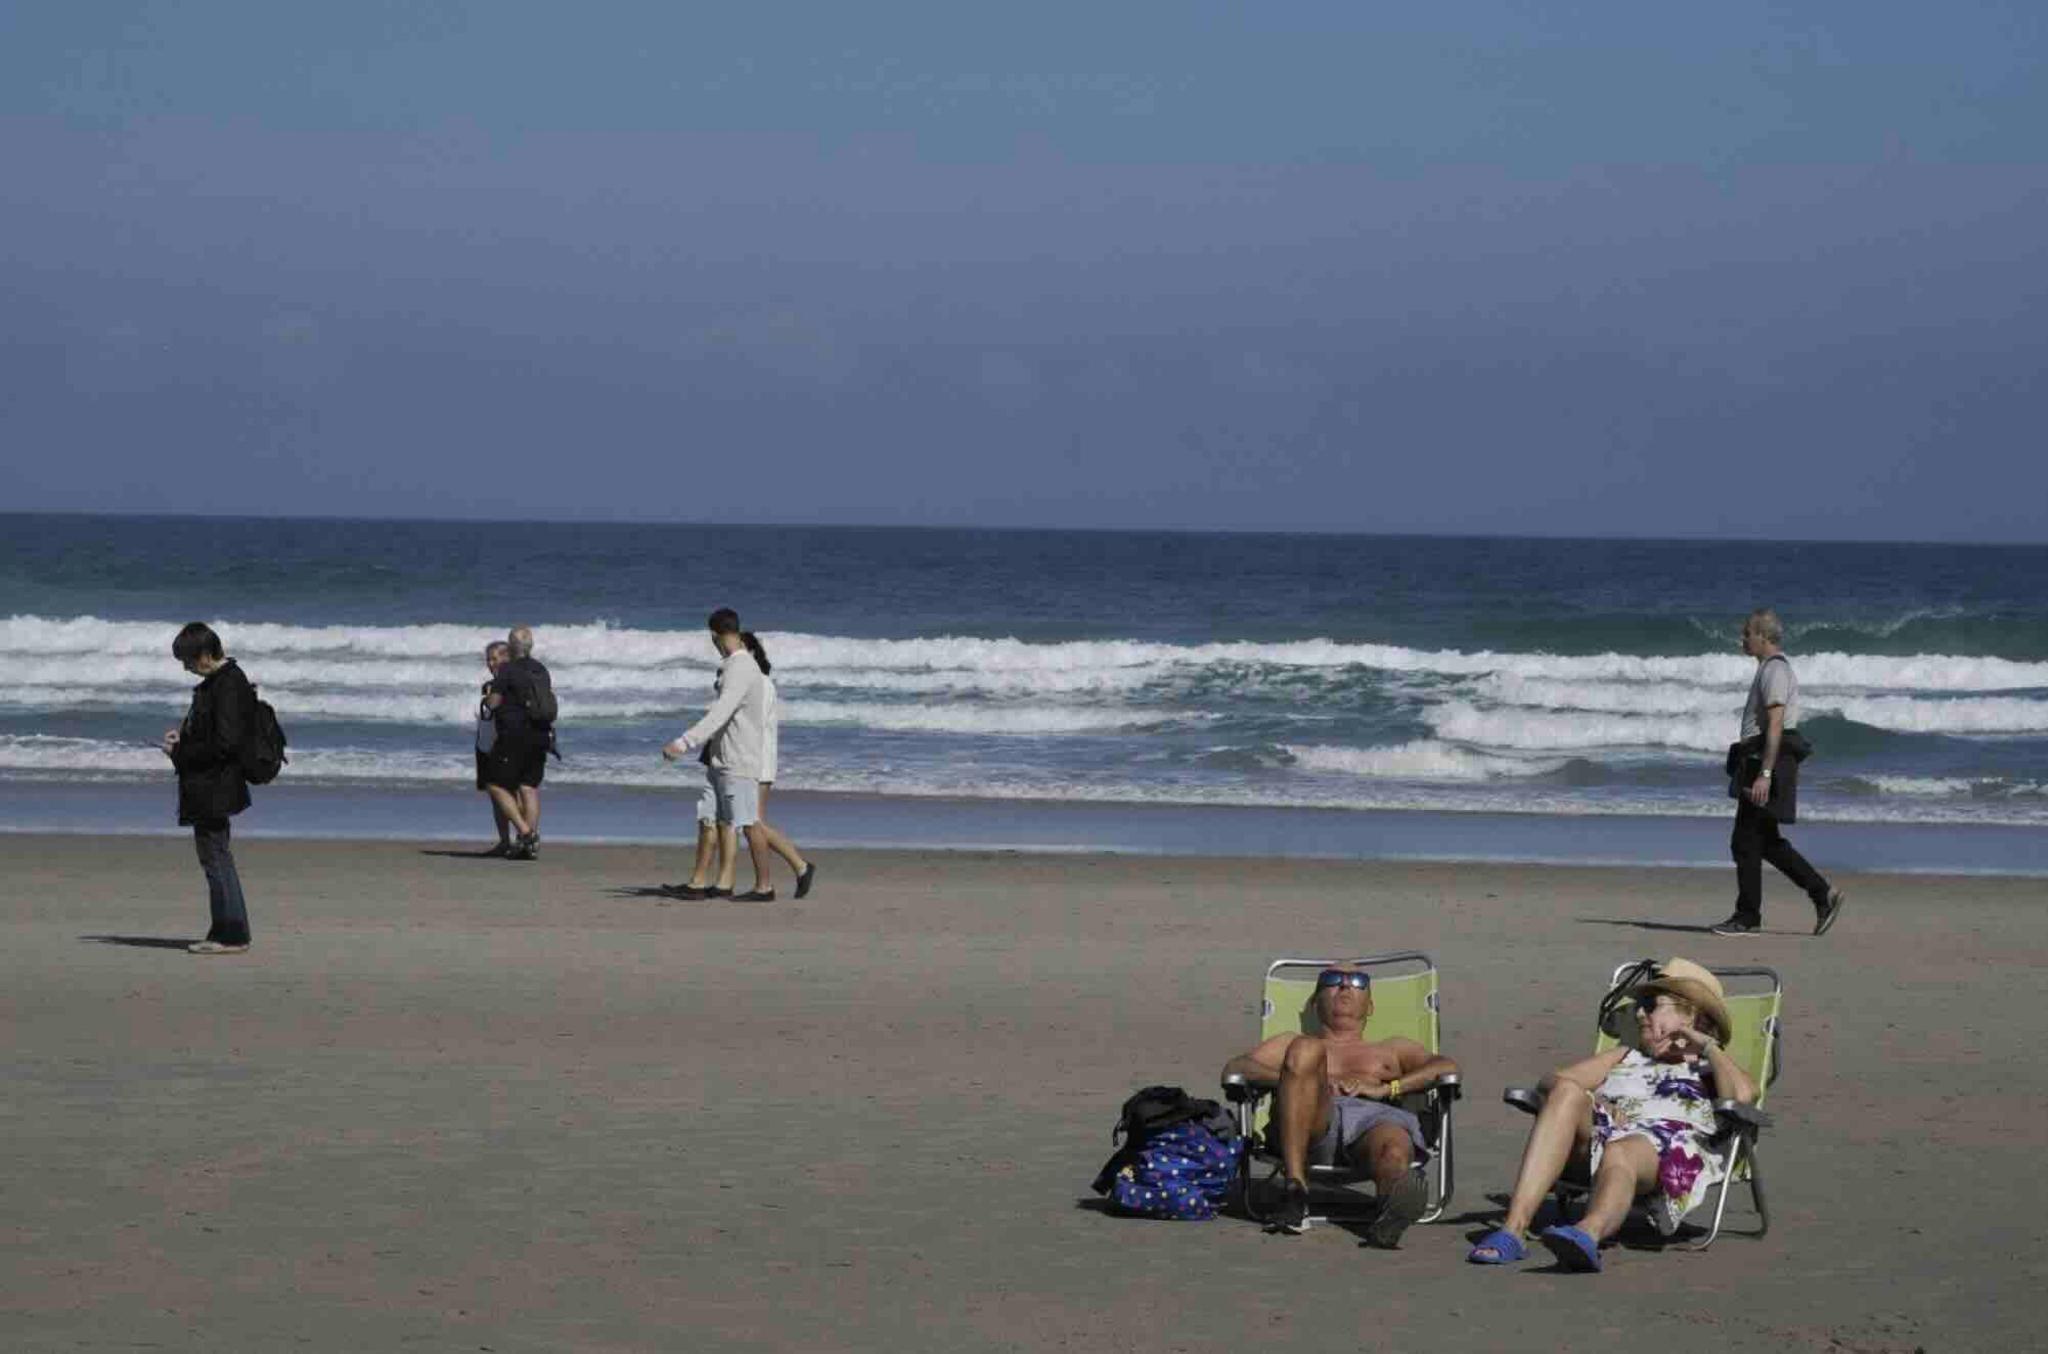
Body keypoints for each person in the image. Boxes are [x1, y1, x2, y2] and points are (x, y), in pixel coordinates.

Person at [1468, 958, 1758, 1271]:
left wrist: (1706, 1046)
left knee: (1623, 1150)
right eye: (1641, 1005)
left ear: (1691, 1015)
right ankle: (1512, 1229)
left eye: (1652, 1005)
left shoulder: (1708, 1067)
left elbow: (1742, 1097)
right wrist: (1594, 1099)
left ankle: (1586, 1233)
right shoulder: (1626, 1054)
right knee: (1567, 1091)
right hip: (1600, 1138)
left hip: (1660, 1152)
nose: (1639, 1013)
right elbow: (1551, 1081)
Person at [1219, 965, 1460, 1247]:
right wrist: (1298, 1078)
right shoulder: (1290, 1043)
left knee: (1393, 1147)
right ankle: (1296, 1190)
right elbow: (1237, 1068)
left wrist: (1386, 1088)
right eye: (1332, 980)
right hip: (1312, 1120)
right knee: (1306, 1050)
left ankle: (1392, 1206)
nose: (1345, 987)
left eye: (1357, 982)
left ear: (1369, 1006)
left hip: (1376, 1117)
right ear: (1314, 1001)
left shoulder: (1391, 1049)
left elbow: (1446, 1067)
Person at [1710, 608, 1845, 937]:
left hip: (1765, 762)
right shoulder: (1769, 670)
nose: (1742, 639)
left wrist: (1765, 774)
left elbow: (1775, 725)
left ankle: (1748, 917)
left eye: (1747, 633)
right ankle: (1822, 894)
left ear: (1763, 636)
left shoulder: (1775, 671)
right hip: (1760, 760)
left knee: (1745, 841)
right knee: (1765, 842)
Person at [661, 609, 770, 900]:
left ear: (714, 636)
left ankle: (765, 887)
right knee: (709, 817)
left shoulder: (742, 667)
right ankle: (702, 883)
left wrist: (684, 742)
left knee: (748, 823)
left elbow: (721, 712)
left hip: (739, 759)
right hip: (720, 757)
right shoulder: (733, 666)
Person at [162, 622, 257, 956]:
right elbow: (214, 737)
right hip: (211, 785)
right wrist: (182, 741)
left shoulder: (227, 684)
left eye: (187, 660)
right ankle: (226, 930)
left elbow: (226, 743)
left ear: (204, 655)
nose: (185, 668)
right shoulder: (217, 683)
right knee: (214, 856)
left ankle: (231, 934)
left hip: (216, 787)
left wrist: (181, 752)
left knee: (216, 856)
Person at [738, 631, 816, 902]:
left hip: (757, 760)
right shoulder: (753, 681)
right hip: (754, 759)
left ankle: (772, 882)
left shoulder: (759, 683)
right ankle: (799, 868)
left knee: (753, 822)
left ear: (750, 652)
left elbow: (751, 725)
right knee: (753, 822)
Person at [488, 624, 556, 860]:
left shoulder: (508, 670)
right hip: (541, 735)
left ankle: (526, 834)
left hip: (515, 735)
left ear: (511, 647)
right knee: (529, 787)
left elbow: (494, 703)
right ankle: (529, 845)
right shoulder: (541, 669)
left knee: (494, 784)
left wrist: (489, 699)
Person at [473, 640, 515, 855]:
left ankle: (523, 836)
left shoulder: (510, 685)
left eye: (495, 659)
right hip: (486, 745)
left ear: (507, 659)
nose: (490, 663)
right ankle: (504, 841)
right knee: (495, 796)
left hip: (504, 746)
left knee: (508, 794)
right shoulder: (489, 685)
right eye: (488, 659)